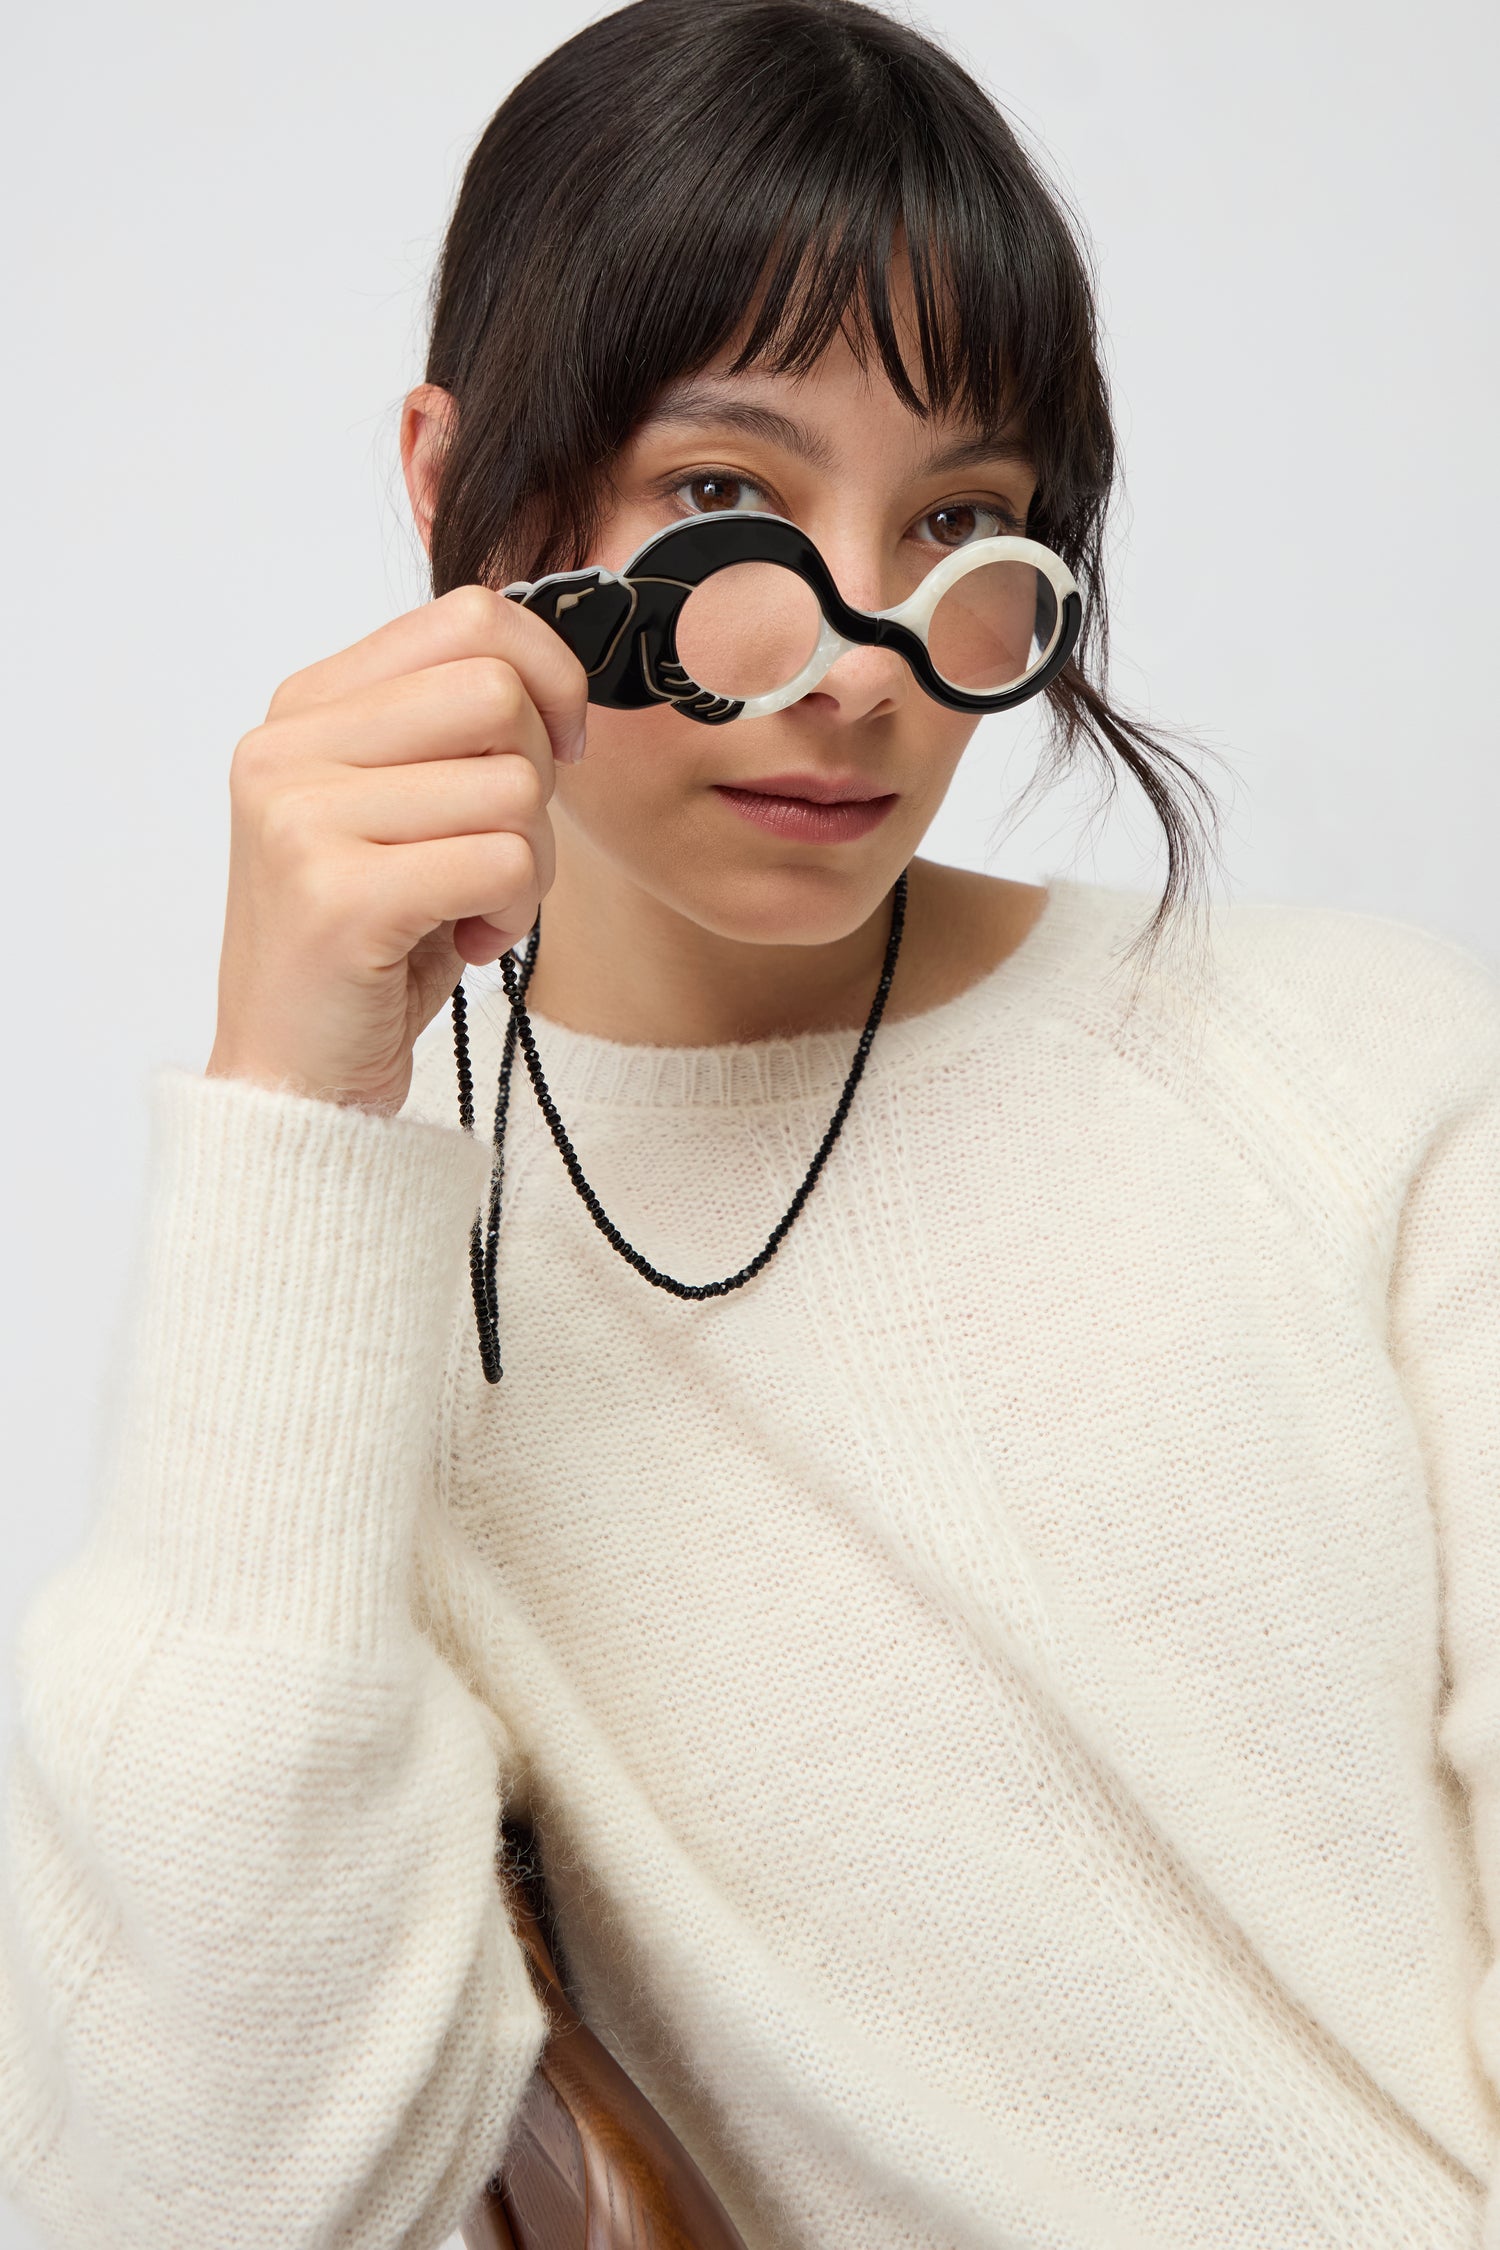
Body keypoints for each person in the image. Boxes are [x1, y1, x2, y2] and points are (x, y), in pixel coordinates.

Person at [3, 0, 1498, 2244]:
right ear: (456, 487)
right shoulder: (343, 1270)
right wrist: (294, 1119)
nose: (863, 659)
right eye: (723, 499)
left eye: (963, 520)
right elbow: (205, 2190)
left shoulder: (1374, 1078)